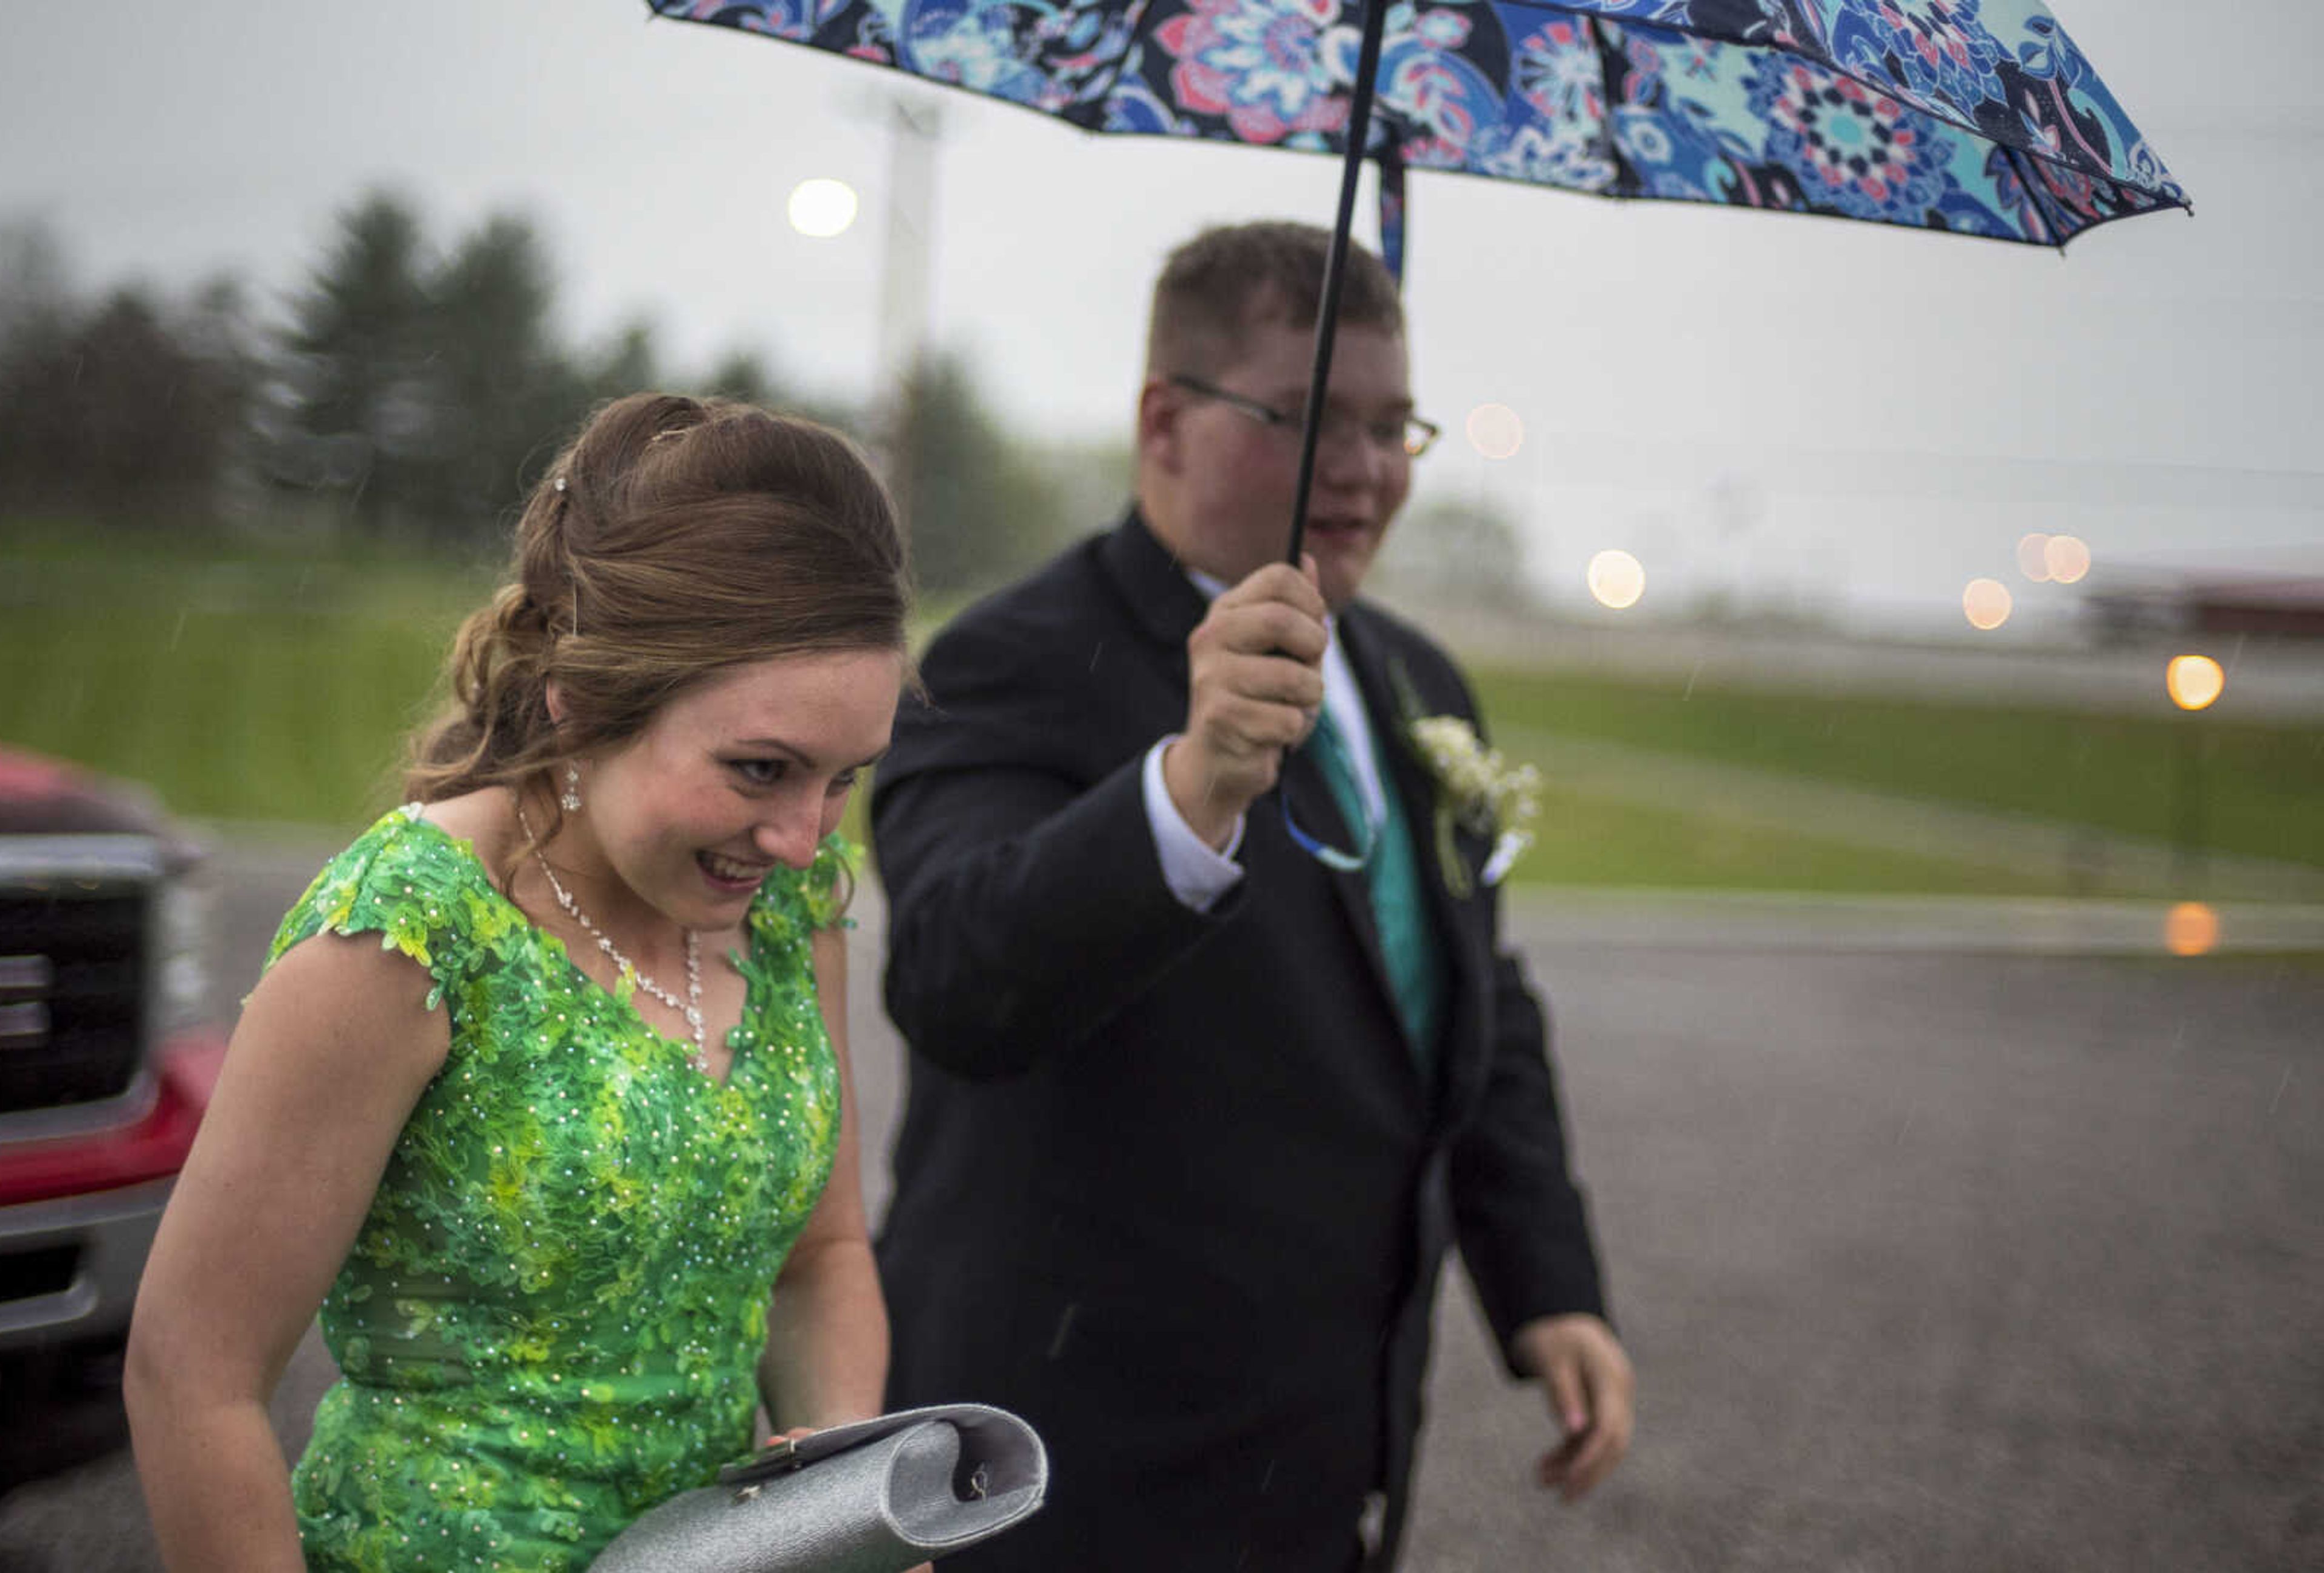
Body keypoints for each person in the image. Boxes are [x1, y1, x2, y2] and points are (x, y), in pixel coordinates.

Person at [869, 221, 1635, 1571]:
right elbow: (951, 978)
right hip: (1065, 1461)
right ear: (1164, 421)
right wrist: (1190, 785)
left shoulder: (1414, 680)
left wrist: (1548, 1288)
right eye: (1308, 419)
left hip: (1322, 1451)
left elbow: (1470, 1001)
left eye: (1396, 426)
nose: (1363, 472)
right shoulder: (1012, 659)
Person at [125, 393, 912, 1571]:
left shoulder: (795, 903)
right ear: (583, 698)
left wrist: (845, 1493)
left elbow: (823, 1256)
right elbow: (194, 1375)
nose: (804, 836)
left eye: (844, 778)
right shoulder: (410, 933)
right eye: (761, 768)